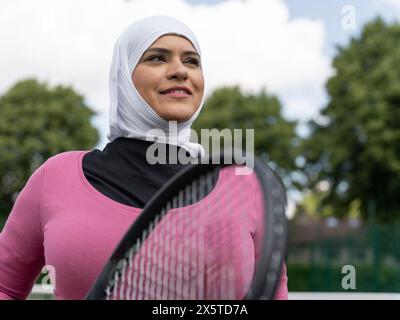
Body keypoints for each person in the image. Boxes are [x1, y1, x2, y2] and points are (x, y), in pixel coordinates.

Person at [0, 15, 288, 300]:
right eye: (157, 58)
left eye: (191, 61)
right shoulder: (55, 177)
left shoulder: (244, 185)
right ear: (124, 75)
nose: (180, 71)